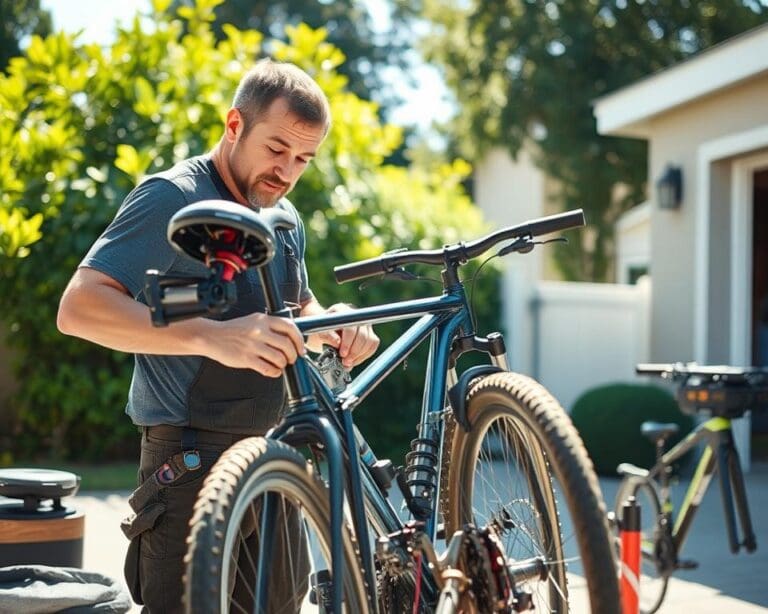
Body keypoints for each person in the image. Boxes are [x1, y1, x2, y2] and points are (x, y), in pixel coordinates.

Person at [56, 59, 379, 613]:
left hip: (272, 456)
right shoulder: (171, 198)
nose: (287, 172)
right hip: (188, 463)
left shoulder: (284, 215)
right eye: (276, 149)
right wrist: (213, 336)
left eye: (303, 159)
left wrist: (335, 321)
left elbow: (293, 303)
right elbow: (80, 306)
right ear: (235, 125)